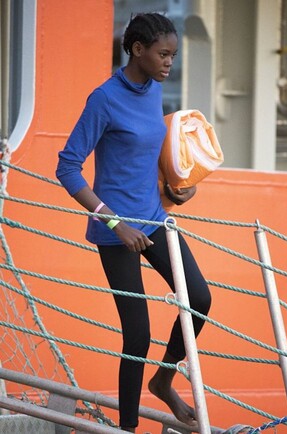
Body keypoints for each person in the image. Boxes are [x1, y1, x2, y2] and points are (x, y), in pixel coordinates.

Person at [56, 13, 211, 432]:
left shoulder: (154, 91)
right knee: (137, 335)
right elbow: (67, 168)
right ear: (137, 50)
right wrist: (115, 226)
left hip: (155, 219)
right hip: (115, 233)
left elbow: (141, 158)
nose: (169, 64)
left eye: (173, 55)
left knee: (199, 299)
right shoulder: (103, 99)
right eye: (163, 54)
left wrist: (174, 189)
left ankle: (164, 379)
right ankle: (127, 428)